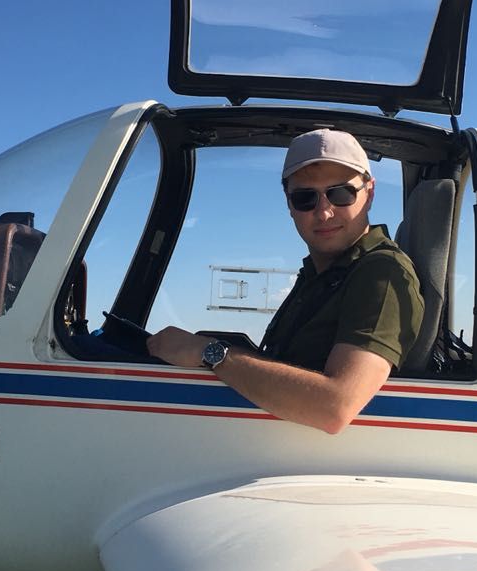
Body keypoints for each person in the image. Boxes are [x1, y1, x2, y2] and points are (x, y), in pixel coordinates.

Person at [148, 129, 424, 434]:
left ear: (369, 193)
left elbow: (334, 407)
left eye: (341, 193)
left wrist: (211, 353)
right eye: (305, 198)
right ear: (289, 205)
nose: (324, 212)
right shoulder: (322, 274)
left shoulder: (382, 274)